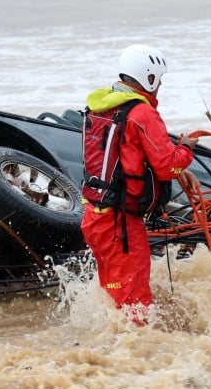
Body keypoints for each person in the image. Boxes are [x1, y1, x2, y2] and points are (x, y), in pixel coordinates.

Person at [81, 44, 201, 322]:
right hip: (121, 226)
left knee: (113, 293)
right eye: (158, 80)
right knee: (136, 307)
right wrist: (186, 149)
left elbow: (127, 155)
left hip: (95, 218)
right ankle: (138, 356)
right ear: (148, 78)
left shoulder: (101, 106)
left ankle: (110, 354)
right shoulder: (142, 113)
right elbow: (168, 164)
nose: (159, 87)